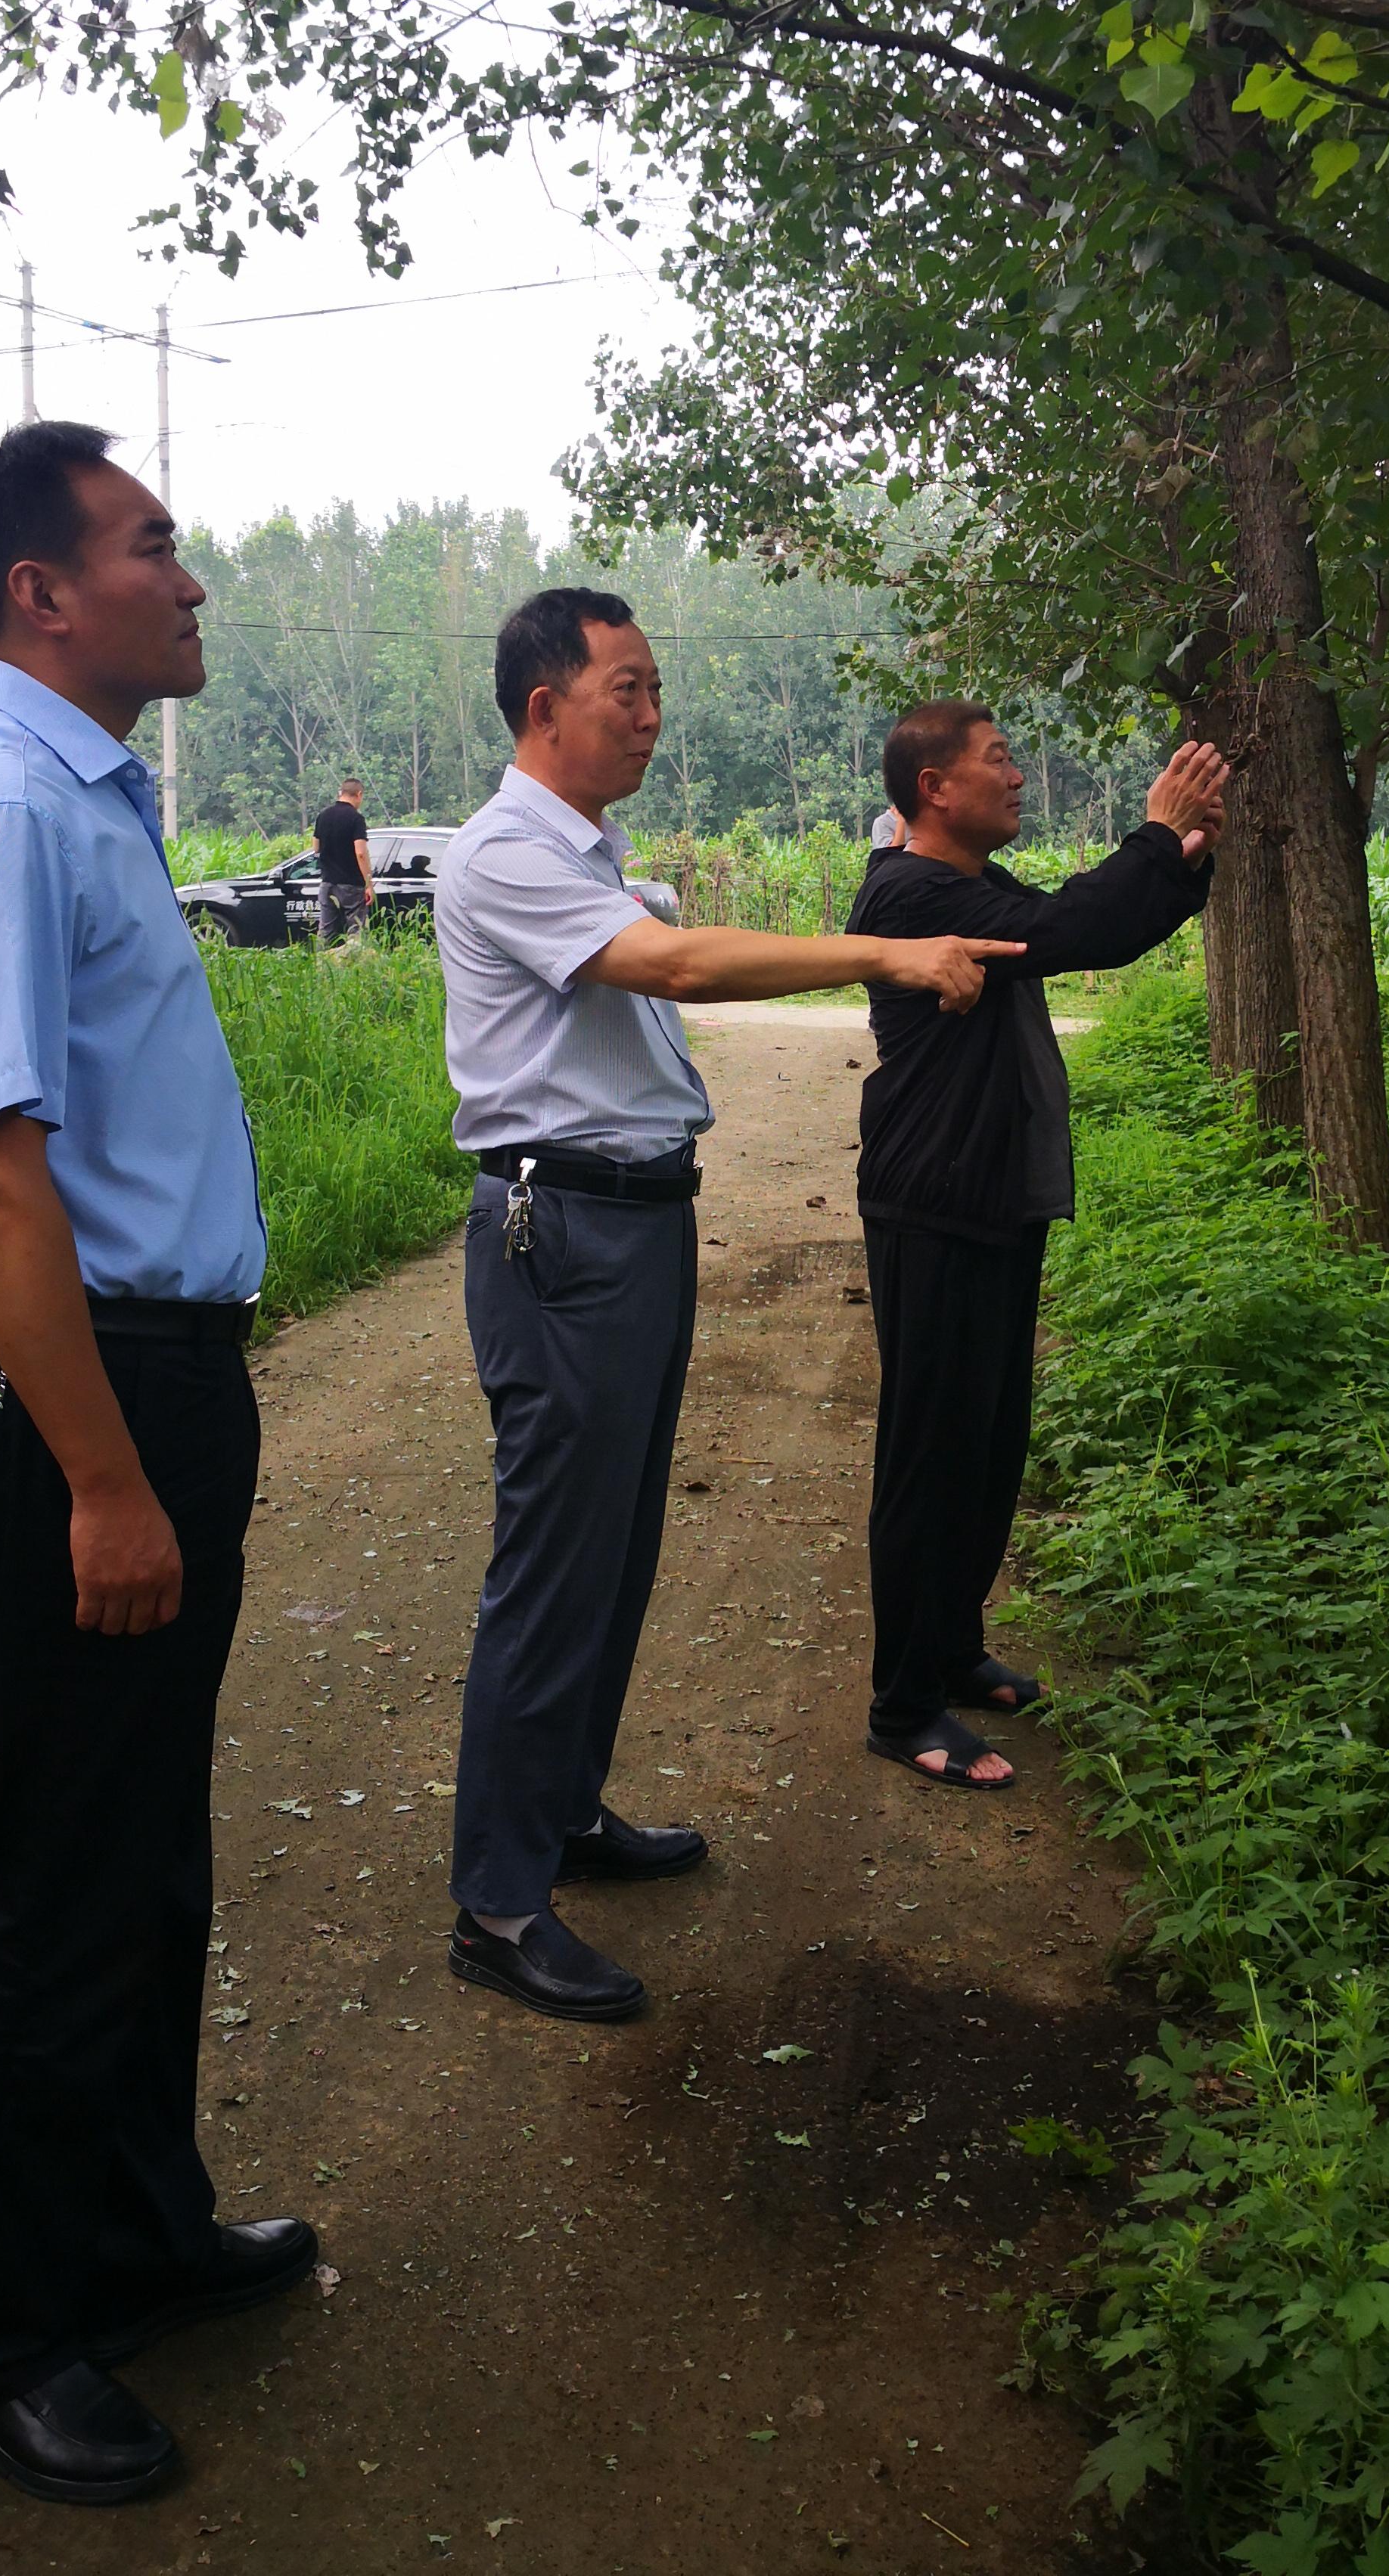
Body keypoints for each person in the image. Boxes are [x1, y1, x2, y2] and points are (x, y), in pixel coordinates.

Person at [0, 421, 313, 2507]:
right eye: (152, 544)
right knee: (60, 1876)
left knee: (141, 1847)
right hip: (80, 1397)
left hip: (148, 1374)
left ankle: (131, 2228)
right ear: (41, 591)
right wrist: (105, 1480)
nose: (190, 578)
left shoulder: (79, 794)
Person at [433, 587, 1025, 2023]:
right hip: (564, 1231)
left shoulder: (585, 851)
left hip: (630, 1222)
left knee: (617, 1549)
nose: (652, 715)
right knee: (554, 1565)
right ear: (544, 708)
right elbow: (680, 965)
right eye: (627, 690)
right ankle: (499, 1902)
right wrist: (884, 951)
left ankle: (563, 1812)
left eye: (654, 689)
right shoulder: (506, 850)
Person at [845, 703, 1230, 1790]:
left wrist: (1185, 853)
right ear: (934, 787)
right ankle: (902, 1704)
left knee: (988, 1438)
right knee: (930, 1453)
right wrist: (1155, 833)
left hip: (991, 1198)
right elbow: (1070, 931)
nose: (1017, 777)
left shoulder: (973, 884)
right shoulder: (911, 894)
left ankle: (953, 1648)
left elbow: (1087, 924)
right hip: (934, 1203)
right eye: (999, 759)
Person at [313, 776, 375, 945]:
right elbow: (360, 853)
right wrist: (368, 884)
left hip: (327, 883)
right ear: (359, 794)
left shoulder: (323, 815)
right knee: (356, 931)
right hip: (351, 885)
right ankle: (354, 960)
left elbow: (316, 847)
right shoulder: (356, 819)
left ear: (341, 793)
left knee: (326, 931)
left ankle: (321, 960)